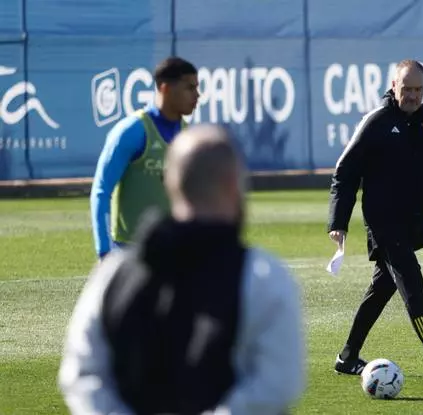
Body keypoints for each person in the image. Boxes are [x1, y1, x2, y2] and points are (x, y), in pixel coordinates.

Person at [59, 124, 306, 415]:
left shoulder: (114, 274)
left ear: (171, 183)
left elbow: (82, 374)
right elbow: (277, 384)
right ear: (232, 184)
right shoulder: (263, 277)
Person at [327, 59, 423, 380]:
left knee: (381, 289)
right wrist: (338, 221)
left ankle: (347, 356)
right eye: (406, 88)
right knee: (412, 283)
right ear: (393, 87)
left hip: (412, 226)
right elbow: (345, 172)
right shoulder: (377, 123)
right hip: (383, 224)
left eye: (417, 89)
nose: (411, 95)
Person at [90, 56, 199, 260]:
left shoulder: (188, 136)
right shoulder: (132, 131)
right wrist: (105, 251)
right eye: (189, 88)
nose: (197, 95)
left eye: (197, 88)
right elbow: (101, 190)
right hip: (130, 254)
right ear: (165, 88)